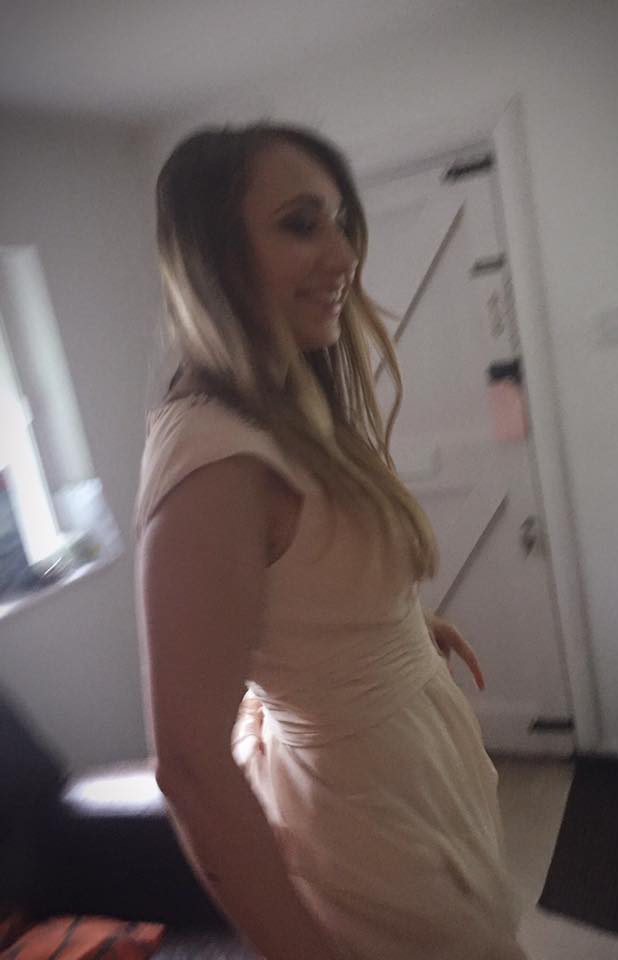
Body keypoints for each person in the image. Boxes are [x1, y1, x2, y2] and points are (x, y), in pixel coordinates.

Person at [134, 122, 526, 960]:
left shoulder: (281, 408)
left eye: (341, 223)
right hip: (365, 826)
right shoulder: (214, 462)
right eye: (302, 224)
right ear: (214, 256)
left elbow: (299, 581)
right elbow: (191, 767)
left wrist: (398, 625)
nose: (344, 255)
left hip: (408, 780)